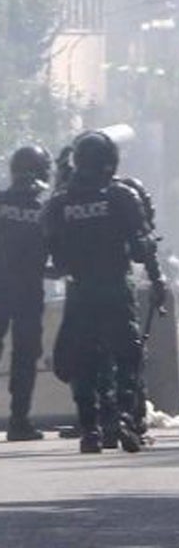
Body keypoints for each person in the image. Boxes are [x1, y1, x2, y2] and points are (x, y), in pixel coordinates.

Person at [44, 130, 168, 454]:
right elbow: (143, 248)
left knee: (83, 360)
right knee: (129, 355)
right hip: (115, 287)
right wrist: (157, 281)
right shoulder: (120, 197)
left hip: (79, 290)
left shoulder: (59, 203)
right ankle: (125, 417)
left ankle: (90, 430)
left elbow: (49, 259)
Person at [0, 146, 52, 441]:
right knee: (25, 355)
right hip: (28, 292)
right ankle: (19, 421)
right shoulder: (45, 208)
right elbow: (59, 254)